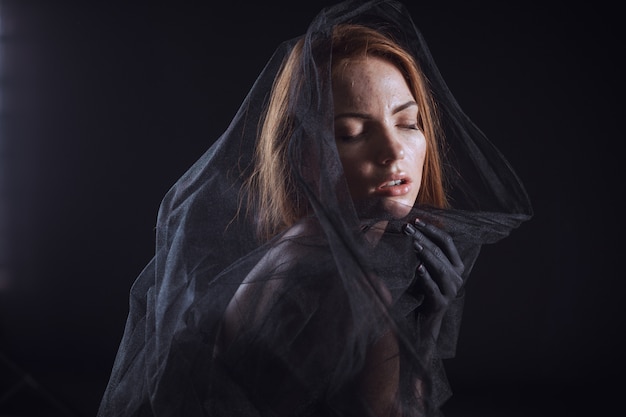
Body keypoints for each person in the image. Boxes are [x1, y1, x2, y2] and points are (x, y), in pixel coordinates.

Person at [97, 1, 532, 416]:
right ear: (306, 157)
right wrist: (427, 327)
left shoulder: (297, 252)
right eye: (351, 133)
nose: (394, 149)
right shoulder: (355, 290)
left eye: (407, 123)